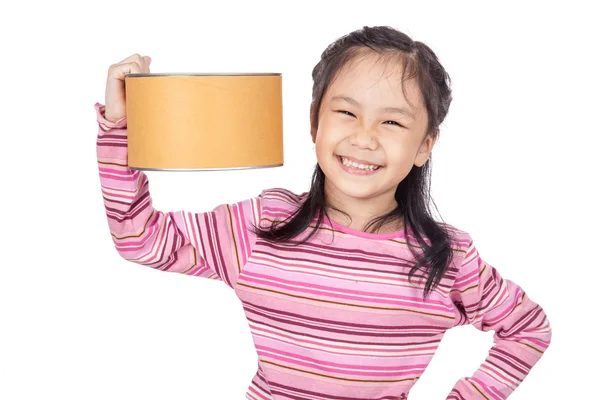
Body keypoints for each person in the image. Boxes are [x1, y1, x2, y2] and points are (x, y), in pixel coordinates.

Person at [95, 25, 551, 400]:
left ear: (424, 147)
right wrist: (120, 126)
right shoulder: (262, 224)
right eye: (346, 113)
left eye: (392, 122)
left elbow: (528, 329)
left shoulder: (448, 257)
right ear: (314, 122)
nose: (364, 137)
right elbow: (140, 239)